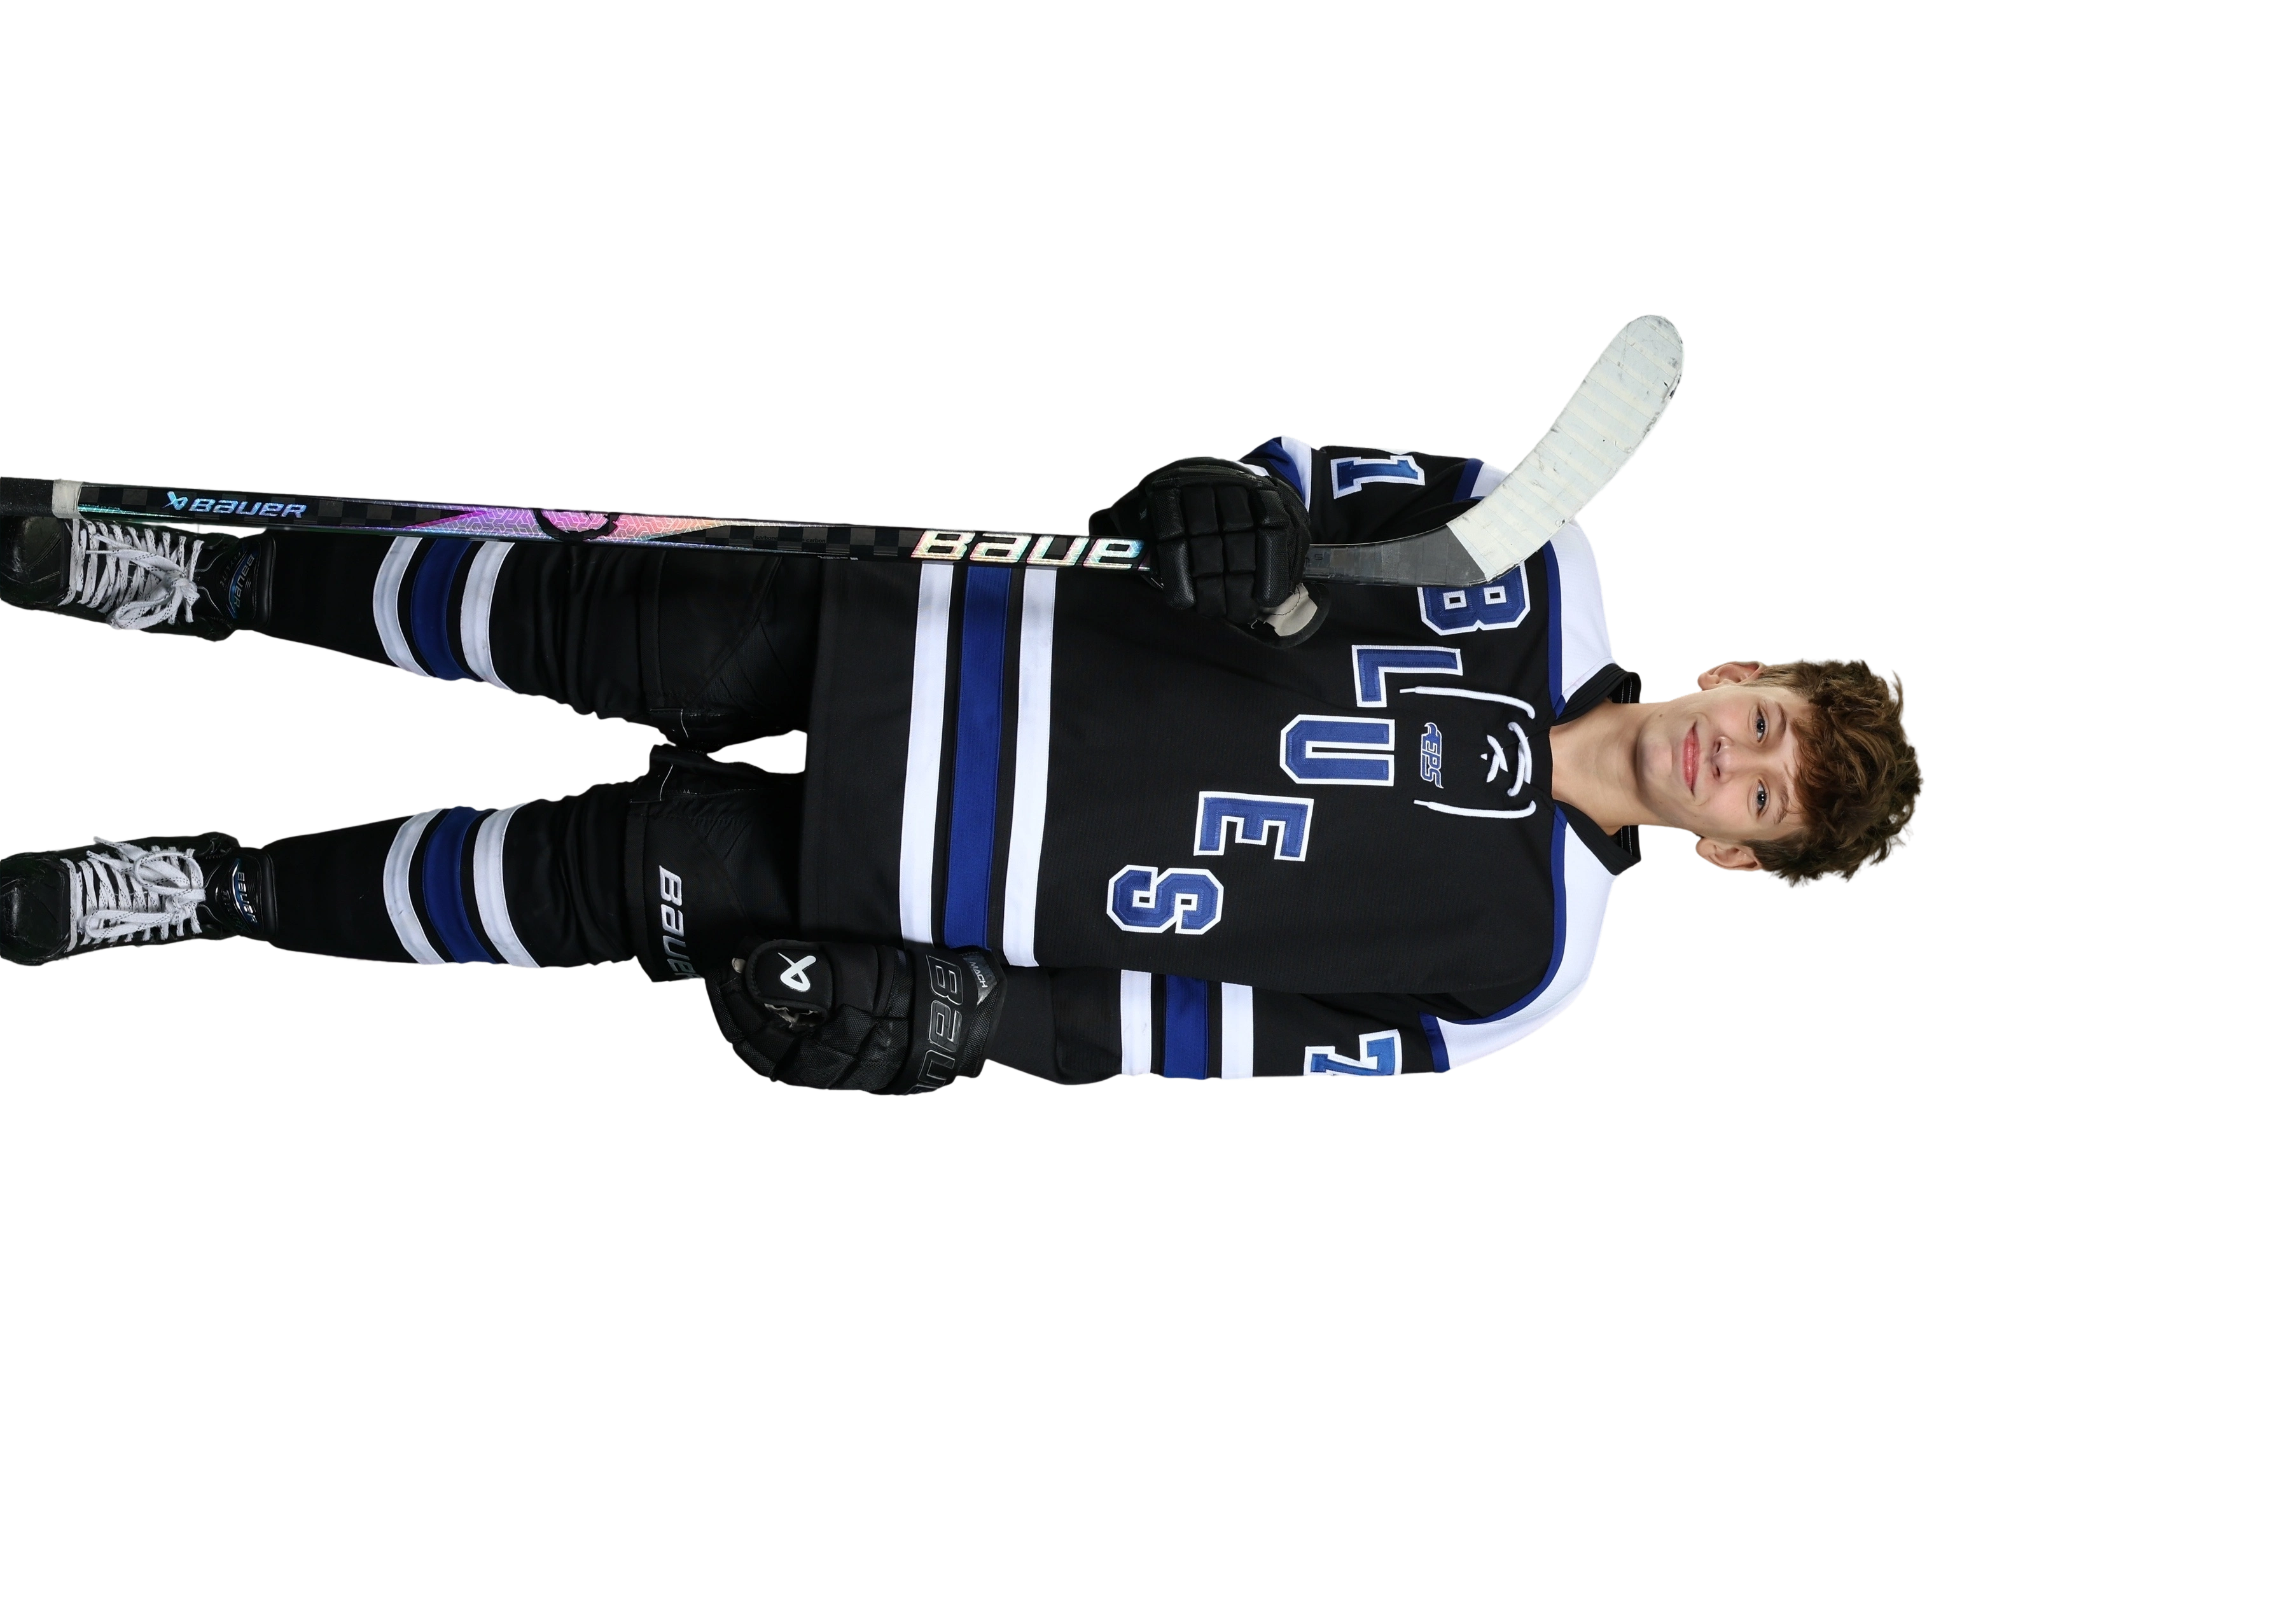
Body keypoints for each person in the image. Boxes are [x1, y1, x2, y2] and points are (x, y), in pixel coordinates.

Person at [0, 445, 1924, 1092]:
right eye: (1772, 723)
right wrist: (1213, 502)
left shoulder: (1519, 973)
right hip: (937, 634)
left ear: (1738, 856)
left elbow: (1212, 1034)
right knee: (543, 616)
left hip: (925, 895)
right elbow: (1277, 486)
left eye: (1769, 800)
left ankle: (205, 890)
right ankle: (205, 576)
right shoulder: (1534, 553)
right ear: (1748, 670)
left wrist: (974, 1023)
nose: (1738, 759)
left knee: (551, 893)